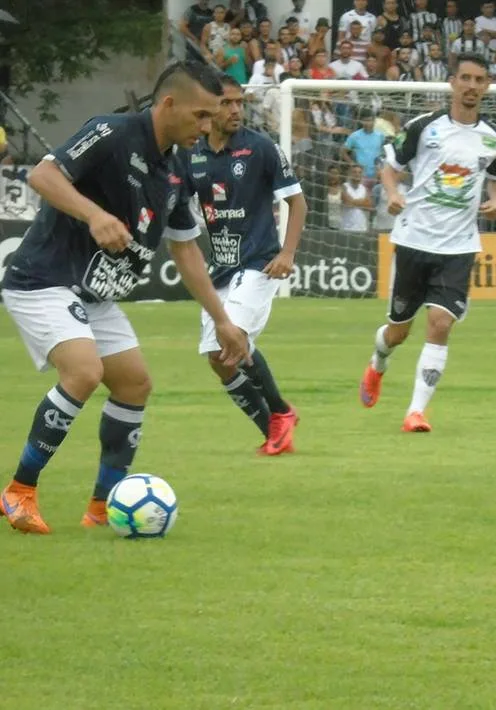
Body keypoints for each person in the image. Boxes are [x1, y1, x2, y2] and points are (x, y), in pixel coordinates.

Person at [0, 61, 249, 534]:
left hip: (95, 295)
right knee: (85, 371)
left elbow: (187, 251)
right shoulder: (111, 132)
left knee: (134, 384)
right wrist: (94, 215)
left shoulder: (174, 172)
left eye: (211, 117)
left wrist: (221, 319)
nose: (207, 126)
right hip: (44, 279)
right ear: (168, 103)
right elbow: (45, 176)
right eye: (200, 115)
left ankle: (100, 508)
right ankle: (18, 492)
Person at [358, 52, 496, 432]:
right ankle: (378, 362)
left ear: (487, 86)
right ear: (452, 82)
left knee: (440, 322)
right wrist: (392, 193)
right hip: (413, 240)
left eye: (479, 80)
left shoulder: (493, 138)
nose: (472, 86)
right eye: (465, 78)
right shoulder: (425, 127)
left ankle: (416, 412)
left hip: (458, 247)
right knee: (398, 331)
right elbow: (390, 169)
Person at [184, 74, 306, 456]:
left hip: (259, 262)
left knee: (231, 335)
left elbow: (297, 202)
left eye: (240, 102)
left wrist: (286, 254)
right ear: (208, 107)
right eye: (227, 103)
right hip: (220, 268)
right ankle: (274, 427)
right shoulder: (193, 154)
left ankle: (281, 414)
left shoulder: (261, 148)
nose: (236, 109)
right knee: (219, 360)